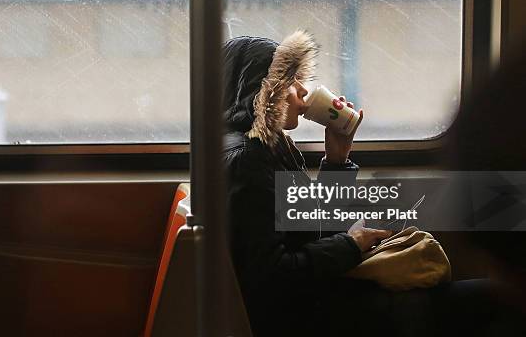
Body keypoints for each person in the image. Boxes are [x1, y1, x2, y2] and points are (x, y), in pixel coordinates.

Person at [221, 30, 524, 336]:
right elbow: (272, 276)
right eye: (290, 81)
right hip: (310, 315)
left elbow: (312, 229)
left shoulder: (269, 148)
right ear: (260, 90)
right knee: (484, 304)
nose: (303, 91)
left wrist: (337, 159)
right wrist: (352, 244)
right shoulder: (248, 160)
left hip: (319, 299)